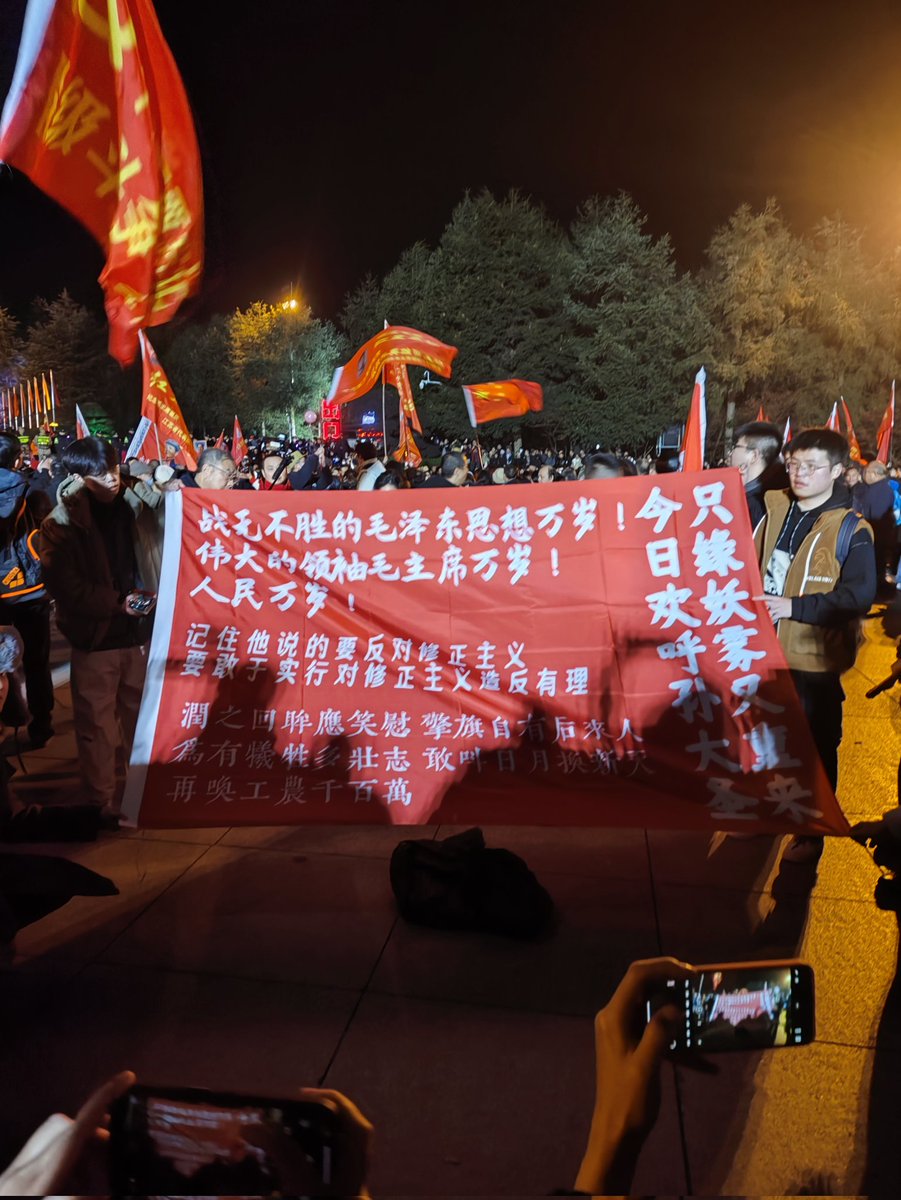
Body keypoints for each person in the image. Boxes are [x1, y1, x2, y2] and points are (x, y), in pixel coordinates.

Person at [754, 428, 876, 864]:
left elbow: (858, 596)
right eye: (793, 465)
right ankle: (769, 815)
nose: (799, 474)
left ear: (837, 471)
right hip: (763, 655)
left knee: (815, 751)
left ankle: (811, 833)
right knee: (767, 745)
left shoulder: (850, 528)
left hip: (813, 662)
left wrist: (793, 607)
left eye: (811, 466)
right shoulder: (773, 510)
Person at [39, 438, 158, 818]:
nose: (110, 479)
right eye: (99, 473)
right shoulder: (60, 524)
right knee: (96, 727)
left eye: (113, 468)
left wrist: (168, 487)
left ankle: (141, 792)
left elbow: (180, 523)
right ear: (77, 477)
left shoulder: (138, 504)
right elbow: (67, 588)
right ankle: (100, 802)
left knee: (141, 720)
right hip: (96, 640)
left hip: (140, 637)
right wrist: (117, 604)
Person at [0, 429, 54, 747]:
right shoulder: (35, 492)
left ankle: (8, 720)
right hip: (31, 591)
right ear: (17, 458)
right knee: (37, 660)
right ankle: (41, 725)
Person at [729, 420, 783, 526]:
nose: (731, 453)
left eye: (736, 447)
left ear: (753, 456)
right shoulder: (745, 493)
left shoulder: (762, 503)